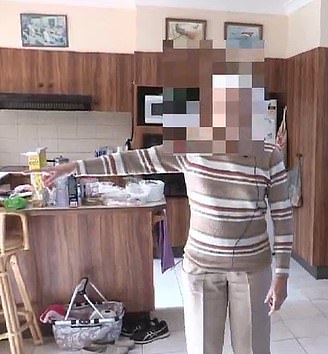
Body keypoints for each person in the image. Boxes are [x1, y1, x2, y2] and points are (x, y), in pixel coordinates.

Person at [41, 39, 294, 354]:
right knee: (203, 348)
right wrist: (76, 167)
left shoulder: (269, 154)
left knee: (254, 349)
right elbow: (135, 159)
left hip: (253, 269)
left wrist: (281, 274)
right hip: (202, 267)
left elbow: (284, 220)